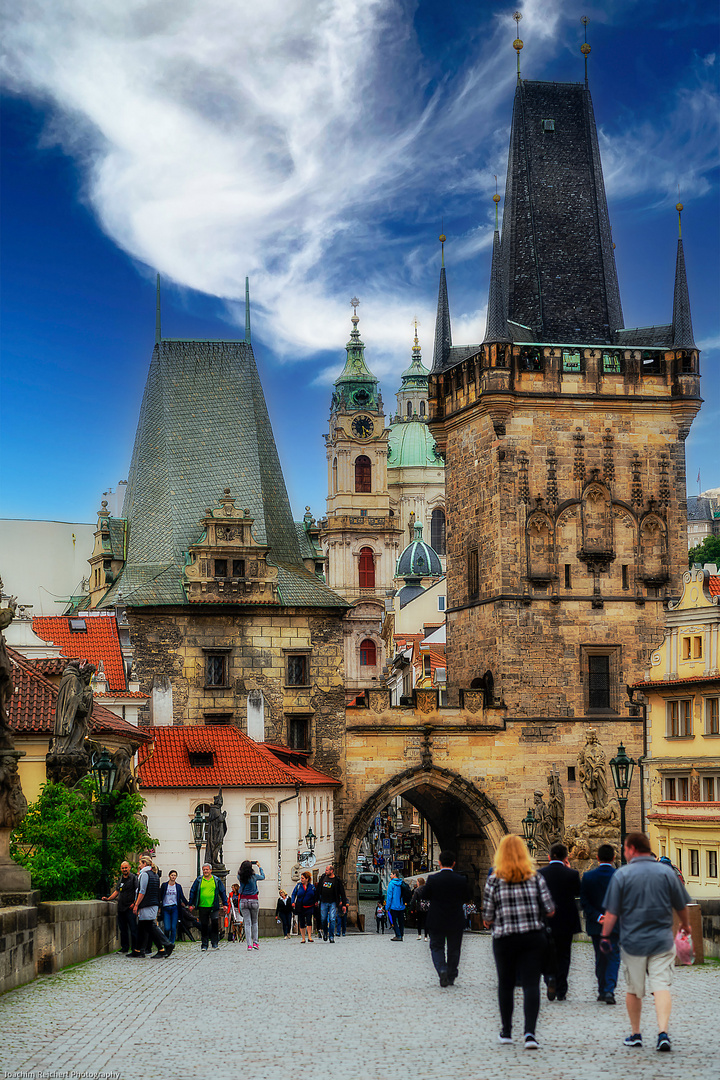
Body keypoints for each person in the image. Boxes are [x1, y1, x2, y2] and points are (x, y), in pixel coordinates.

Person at [600, 831, 692, 1053]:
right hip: (661, 940)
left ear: (632, 849)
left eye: (624, 849)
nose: (624, 853)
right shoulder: (666, 873)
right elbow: (681, 905)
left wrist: (605, 936)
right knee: (661, 987)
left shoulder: (622, 875)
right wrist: (685, 925)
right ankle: (662, 1033)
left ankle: (636, 1033)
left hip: (633, 942)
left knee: (634, 989)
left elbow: (611, 913)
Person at [483, 835, 555, 1050]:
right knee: (532, 984)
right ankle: (530, 1034)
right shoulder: (535, 878)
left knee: (505, 983)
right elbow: (550, 908)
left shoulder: (494, 880)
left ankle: (506, 1031)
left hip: (505, 938)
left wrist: (496, 918)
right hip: (532, 936)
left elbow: (487, 915)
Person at [538, 841, 581, 1001]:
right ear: (566, 857)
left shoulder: (540, 874)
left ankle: (550, 978)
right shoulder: (572, 874)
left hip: (546, 920)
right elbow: (578, 892)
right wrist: (569, 869)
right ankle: (561, 988)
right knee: (564, 954)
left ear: (549, 857)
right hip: (566, 921)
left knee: (547, 952)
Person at [421, 852, 470, 987]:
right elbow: (467, 897)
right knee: (454, 948)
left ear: (439, 863)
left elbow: (424, 895)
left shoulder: (433, 879)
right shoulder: (461, 879)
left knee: (437, 947)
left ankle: (442, 969)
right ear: (454, 863)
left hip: (437, 919)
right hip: (455, 919)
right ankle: (451, 974)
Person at [579, 843, 620, 1004]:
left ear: (597, 858)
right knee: (614, 956)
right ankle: (609, 989)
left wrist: (598, 917)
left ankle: (602, 988)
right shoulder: (619, 876)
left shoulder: (588, 877)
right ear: (614, 858)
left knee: (600, 956)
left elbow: (584, 902)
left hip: (596, 925)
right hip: (616, 924)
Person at [130, 855, 174, 958]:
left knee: (150, 926)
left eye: (140, 863)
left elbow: (142, 891)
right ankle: (138, 950)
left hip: (147, 904)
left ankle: (166, 945)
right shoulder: (154, 874)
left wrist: (136, 904)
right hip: (152, 903)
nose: (139, 865)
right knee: (142, 926)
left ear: (145, 864)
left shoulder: (145, 875)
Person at [188, 861, 228, 951]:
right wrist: (191, 904)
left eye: (207, 869)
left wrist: (225, 904)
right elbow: (193, 891)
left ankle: (214, 943)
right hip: (202, 906)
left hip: (213, 906)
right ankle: (204, 944)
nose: (205, 871)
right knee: (204, 925)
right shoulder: (199, 880)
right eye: (204, 870)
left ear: (211, 870)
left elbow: (222, 892)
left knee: (214, 924)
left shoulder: (216, 880)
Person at [102, 861, 138, 954]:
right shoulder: (121, 878)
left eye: (126, 868)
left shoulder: (134, 878)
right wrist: (108, 899)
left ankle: (135, 948)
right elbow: (117, 891)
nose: (124, 870)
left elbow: (137, 891)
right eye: (122, 868)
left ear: (129, 868)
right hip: (121, 907)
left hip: (130, 907)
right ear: (121, 869)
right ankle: (124, 948)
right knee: (123, 929)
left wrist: (134, 903)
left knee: (133, 929)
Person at [237, 859, 265, 950]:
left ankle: (249, 944)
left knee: (247, 923)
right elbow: (263, 876)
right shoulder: (254, 876)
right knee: (255, 922)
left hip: (244, 901)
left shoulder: (240, 877)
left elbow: (240, 887)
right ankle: (255, 942)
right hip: (254, 900)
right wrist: (259, 866)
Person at [316, 865, 347, 943]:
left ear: (331, 871)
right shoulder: (323, 877)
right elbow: (318, 889)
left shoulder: (337, 880)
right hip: (323, 901)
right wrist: (316, 900)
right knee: (323, 919)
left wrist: (344, 904)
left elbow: (342, 892)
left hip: (333, 902)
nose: (325, 871)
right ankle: (325, 933)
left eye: (327, 870)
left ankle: (331, 936)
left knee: (332, 919)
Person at [385, 869, 412, 941]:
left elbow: (389, 896)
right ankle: (401, 934)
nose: (390, 875)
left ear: (394, 875)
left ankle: (398, 935)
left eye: (391, 874)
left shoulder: (391, 884)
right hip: (401, 906)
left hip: (394, 906)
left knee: (393, 921)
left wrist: (387, 907)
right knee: (401, 921)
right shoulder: (401, 883)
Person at [291, 871, 317, 943]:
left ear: (307, 879)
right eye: (301, 878)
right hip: (300, 907)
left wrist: (316, 901)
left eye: (303, 878)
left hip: (310, 906)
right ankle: (303, 938)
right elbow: (293, 894)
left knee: (309, 921)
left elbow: (315, 895)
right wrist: (292, 902)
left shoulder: (312, 887)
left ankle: (309, 936)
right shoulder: (298, 886)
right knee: (301, 922)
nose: (301, 879)